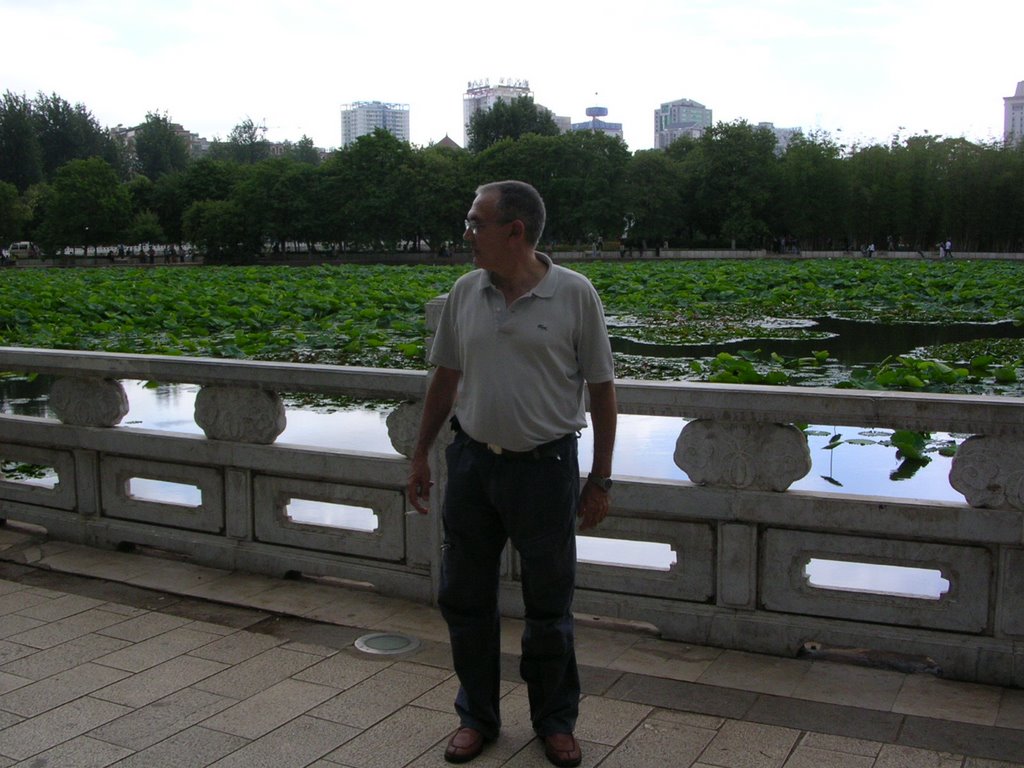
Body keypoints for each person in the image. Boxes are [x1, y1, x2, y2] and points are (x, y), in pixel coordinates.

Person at [406, 180, 617, 767]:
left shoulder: (575, 295)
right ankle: (477, 717)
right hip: (472, 464)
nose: (466, 234)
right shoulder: (463, 293)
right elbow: (444, 379)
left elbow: (602, 392)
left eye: (476, 222)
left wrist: (599, 479)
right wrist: (421, 454)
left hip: (546, 470)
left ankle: (554, 722)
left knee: (549, 605)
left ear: (515, 231)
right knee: (464, 599)